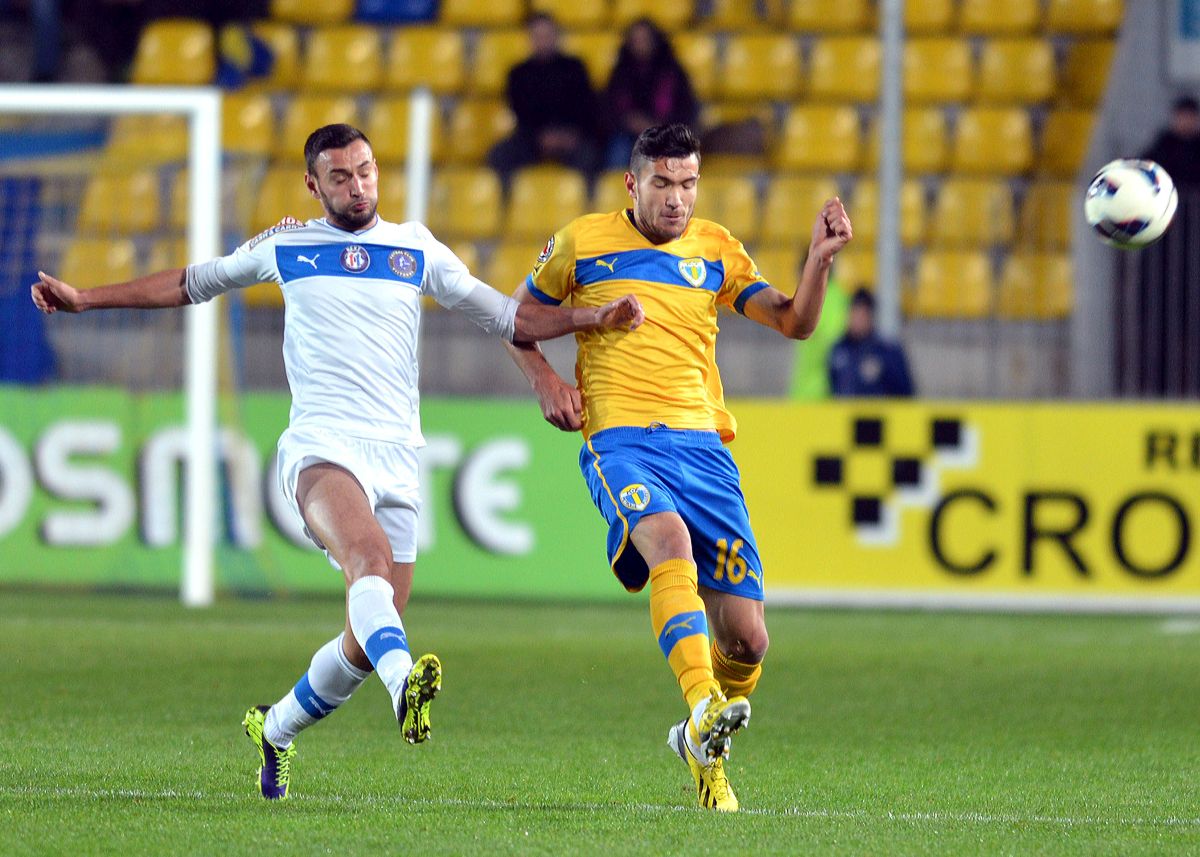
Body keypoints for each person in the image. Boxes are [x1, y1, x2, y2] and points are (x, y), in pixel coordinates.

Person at [30, 123, 644, 800]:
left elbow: (508, 318)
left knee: (364, 637)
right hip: (322, 445)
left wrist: (591, 320)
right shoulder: (286, 246)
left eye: (366, 171)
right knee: (368, 563)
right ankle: (405, 686)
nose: (358, 186)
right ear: (312, 184)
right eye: (341, 176)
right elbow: (188, 282)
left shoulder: (414, 248)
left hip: (399, 456)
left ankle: (275, 728)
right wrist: (86, 298)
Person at [503, 123, 852, 812]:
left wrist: (818, 261)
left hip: (704, 449)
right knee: (669, 542)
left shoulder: (716, 248)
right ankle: (700, 708)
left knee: (748, 639)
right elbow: (516, 318)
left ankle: (703, 746)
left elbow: (795, 322)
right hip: (622, 439)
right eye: (662, 183)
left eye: (688, 183)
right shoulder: (581, 242)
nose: (676, 198)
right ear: (631, 183)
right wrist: (546, 379)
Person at [486, 12, 600, 187]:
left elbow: (585, 106)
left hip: (571, 138)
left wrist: (568, 135)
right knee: (499, 155)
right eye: (538, 36)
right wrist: (540, 137)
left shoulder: (575, 68)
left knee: (591, 156)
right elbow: (520, 111)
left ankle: (583, 202)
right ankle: (512, 201)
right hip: (532, 139)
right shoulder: (518, 73)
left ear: (556, 36)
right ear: (530, 39)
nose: (543, 40)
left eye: (547, 35)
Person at [599, 18, 699, 170]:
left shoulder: (673, 73)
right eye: (635, 40)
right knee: (618, 152)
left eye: (644, 39)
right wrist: (630, 122)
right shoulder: (620, 73)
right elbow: (609, 110)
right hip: (626, 135)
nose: (640, 45)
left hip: (666, 134)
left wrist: (657, 126)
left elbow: (685, 111)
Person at [827, 287, 915, 397]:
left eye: (862, 315)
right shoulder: (839, 349)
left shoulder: (887, 352)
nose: (857, 320)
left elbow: (905, 391)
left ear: (870, 317)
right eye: (855, 313)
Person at [1141, 95, 1200, 189]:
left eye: (1189, 117)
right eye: (1183, 117)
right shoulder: (1164, 144)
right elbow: (1147, 165)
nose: (1186, 122)